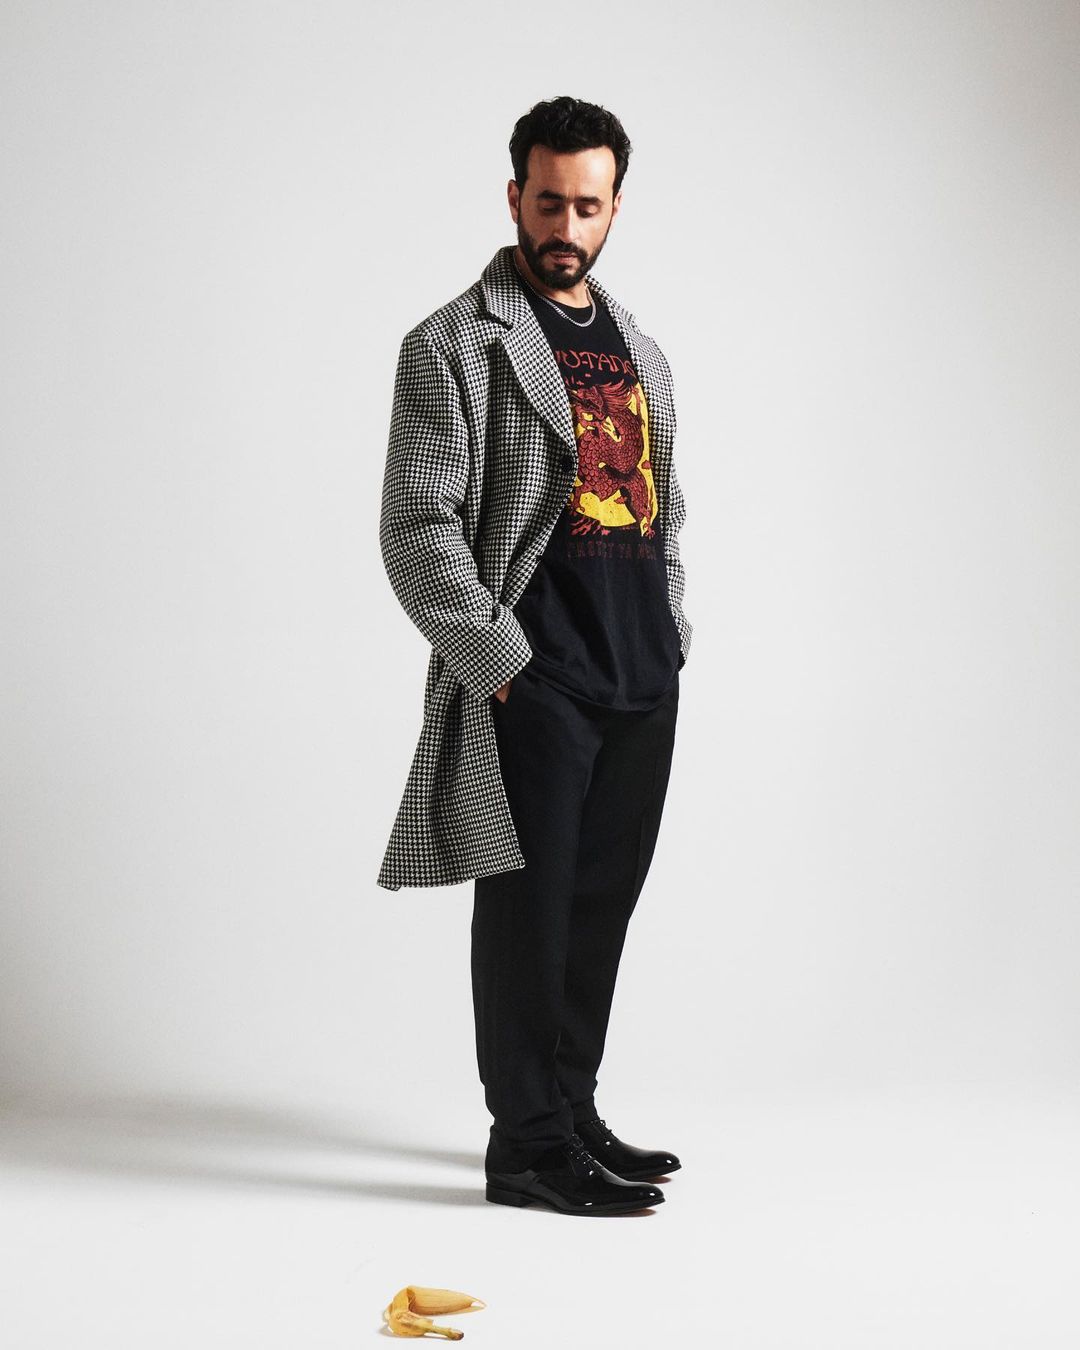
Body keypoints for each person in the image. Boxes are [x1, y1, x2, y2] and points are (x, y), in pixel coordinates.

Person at [378, 96, 693, 1216]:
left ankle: (572, 1110)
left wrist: (673, 633)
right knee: (530, 915)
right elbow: (416, 528)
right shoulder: (453, 344)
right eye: (548, 201)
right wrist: (503, 664)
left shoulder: (641, 349)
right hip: (537, 676)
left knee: (600, 908)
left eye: (587, 206)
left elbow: (666, 508)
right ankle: (525, 1145)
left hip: (641, 673)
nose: (567, 226)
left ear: (616, 207)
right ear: (515, 196)